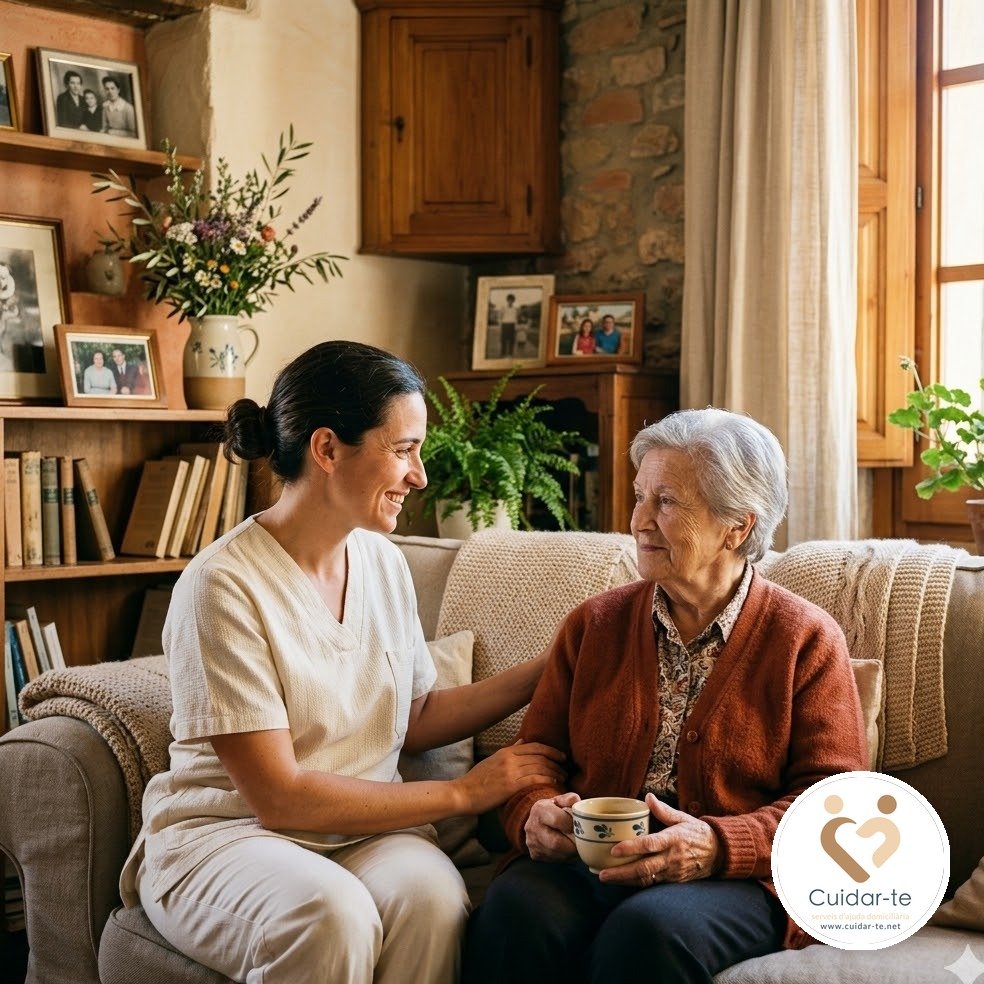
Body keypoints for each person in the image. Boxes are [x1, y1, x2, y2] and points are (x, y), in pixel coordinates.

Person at [118, 340, 565, 983]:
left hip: (363, 834)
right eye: (404, 450)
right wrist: (466, 792)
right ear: (327, 449)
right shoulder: (222, 586)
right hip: (229, 838)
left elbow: (411, 716)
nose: (420, 476)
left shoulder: (383, 562)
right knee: (331, 913)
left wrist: (548, 668)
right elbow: (278, 797)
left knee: (433, 896)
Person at [463, 408, 868, 984]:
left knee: (649, 932)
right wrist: (534, 814)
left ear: (738, 527)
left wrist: (716, 844)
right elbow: (536, 761)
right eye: (639, 497)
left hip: (733, 879)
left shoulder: (804, 639)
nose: (638, 520)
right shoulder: (594, 625)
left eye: (667, 502)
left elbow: (832, 809)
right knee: (515, 913)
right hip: (592, 861)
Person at [498, 293, 518, 358]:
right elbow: (500, 317)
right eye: (509, 300)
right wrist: (500, 325)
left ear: (513, 301)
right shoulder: (503, 307)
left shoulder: (515, 309)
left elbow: (515, 318)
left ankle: (510, 353)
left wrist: (515, 326)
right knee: (504, 340)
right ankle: (503, 353)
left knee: (512, 340)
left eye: (512, 300)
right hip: (505, 324)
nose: (510, 301)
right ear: (507, 300)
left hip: (512, 325)